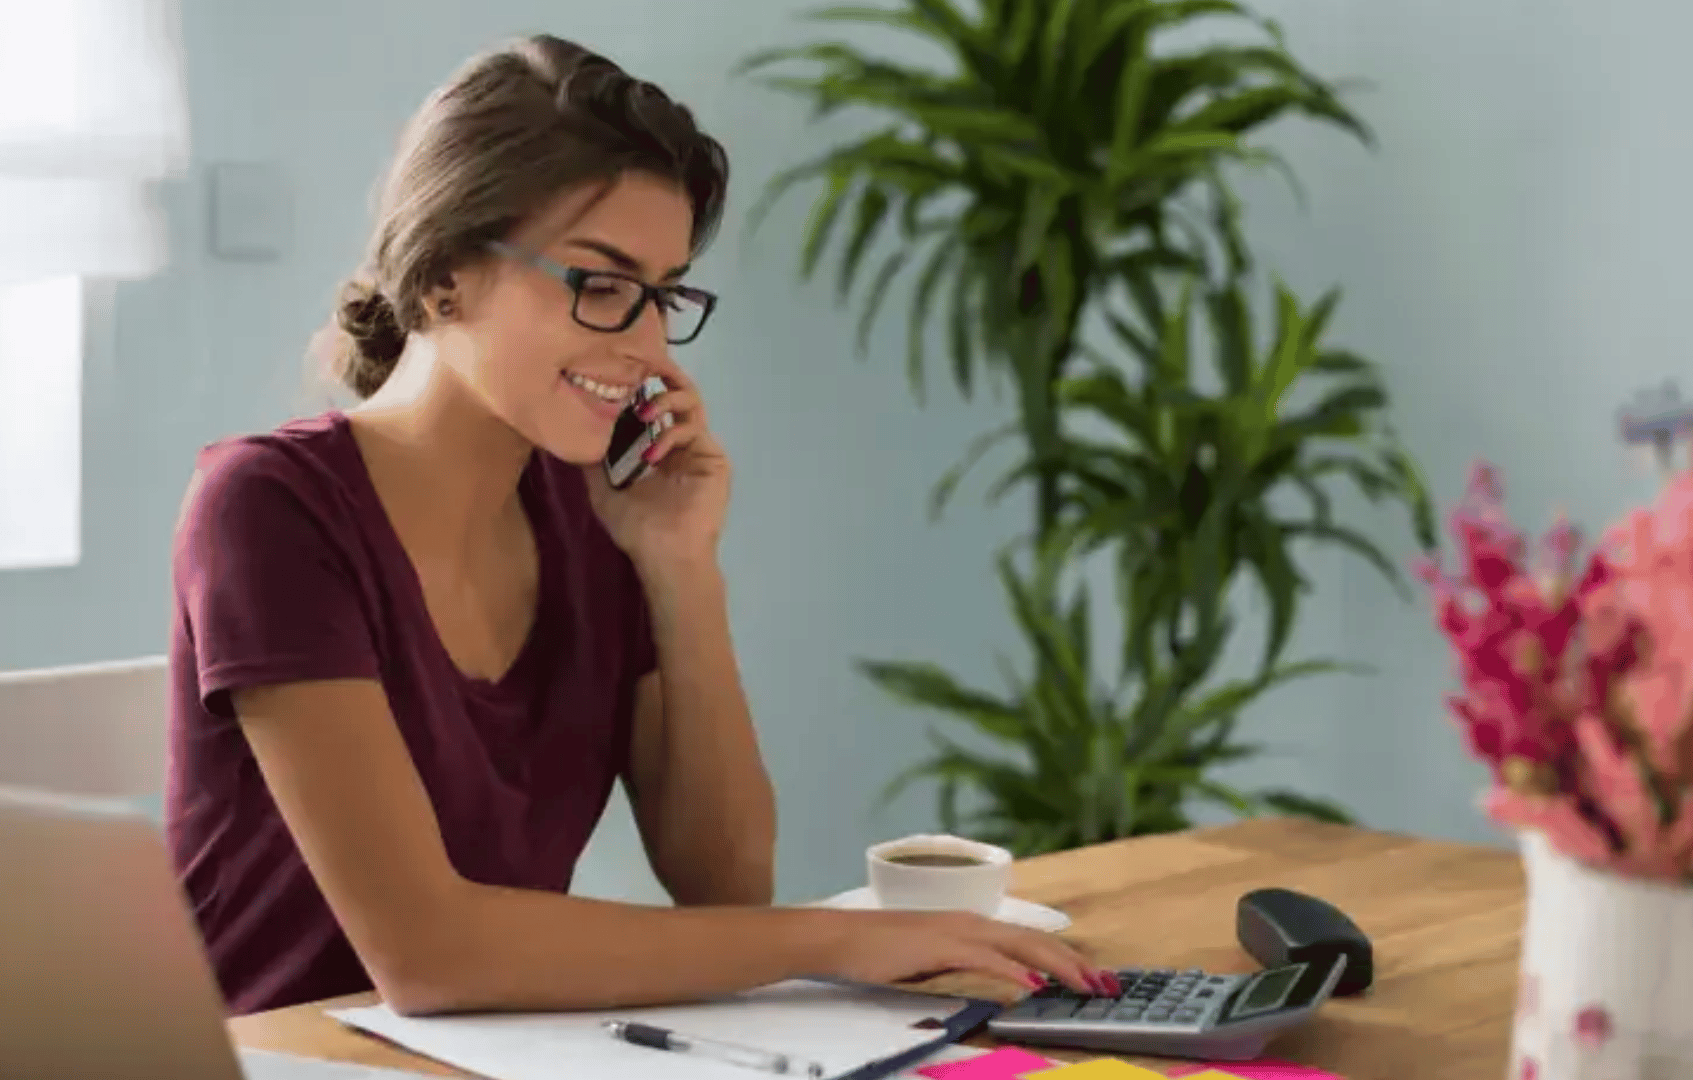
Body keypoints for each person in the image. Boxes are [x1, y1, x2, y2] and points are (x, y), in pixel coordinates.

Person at [164, 34, 1118, 1017]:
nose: (648, 344)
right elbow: (427, 953)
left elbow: (724, 880)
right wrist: (845, 938)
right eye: (603, 285)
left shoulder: (597, 512)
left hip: (506, 1052)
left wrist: (679, 564)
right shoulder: (269, 507)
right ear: (446, 271)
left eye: (663, 294)